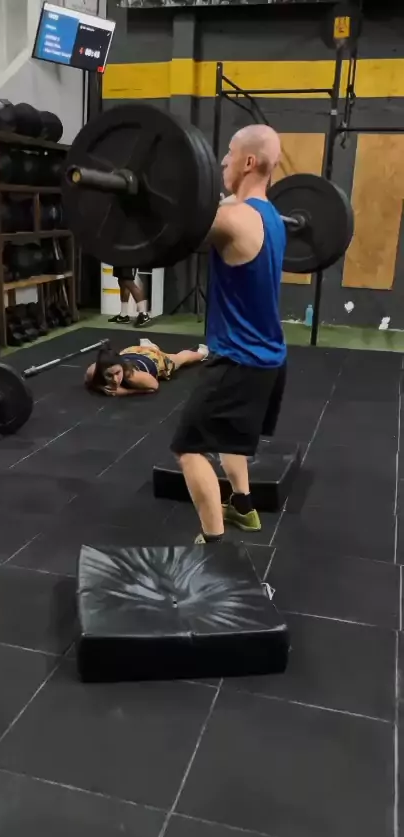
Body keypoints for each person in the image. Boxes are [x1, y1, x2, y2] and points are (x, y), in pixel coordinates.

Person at [170, 124, 287, 543]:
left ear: (249, 162)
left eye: (230, 152)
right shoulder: (272, 217)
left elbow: (172, 231)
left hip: (238, 359)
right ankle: (242, 505)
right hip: (270, 358)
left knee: (188, 449)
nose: (222, 160)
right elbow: (221, 209)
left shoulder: (231, 220)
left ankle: (213, 543)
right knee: (228, 437)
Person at [85, 339, 208, 396]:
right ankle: (149, 346)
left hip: (155, 360)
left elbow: (154, 386)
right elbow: (89, 381)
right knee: (148, 349)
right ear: (101, 372)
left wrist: (127, 392)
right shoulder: (93, 371)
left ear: (122, 367)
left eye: (118, 373)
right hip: (130, 352)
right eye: (109, 376)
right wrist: (101, 387)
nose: (115, 380)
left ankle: (201, 354)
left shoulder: (133, 376)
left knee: (178, 359)